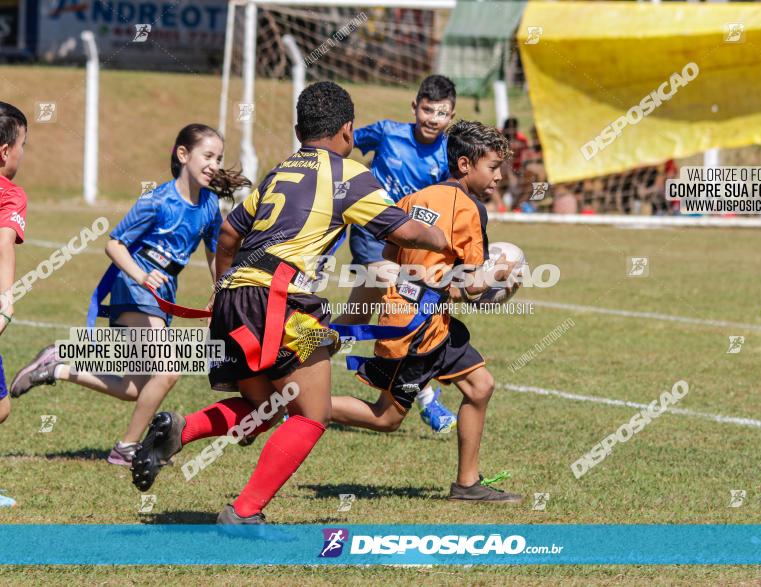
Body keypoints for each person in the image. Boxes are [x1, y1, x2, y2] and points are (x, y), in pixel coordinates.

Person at [130, 81, 447, 524]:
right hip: (277, 299)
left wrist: (225, 286)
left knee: (266, 407)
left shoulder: (280, 171)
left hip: (236, 295)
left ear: (300, 130)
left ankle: (183, 430)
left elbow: (228, 234)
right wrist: (446, 239)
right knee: (312, 414)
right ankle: (244, 512)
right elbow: (408, 232)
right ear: (348, 132)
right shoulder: (348, 174)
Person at [9, 124, 250, 466]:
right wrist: (141, 274)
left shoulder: (210, 206)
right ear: (183, 155)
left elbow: (216, 257)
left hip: (161, 295)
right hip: (134, 288)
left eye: (219, 158)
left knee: (136, 387)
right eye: (207, 156)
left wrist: (219, 291)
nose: (214, 164)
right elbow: (114, 243)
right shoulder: (157, 200)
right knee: (168, 369)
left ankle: (59, 366)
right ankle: (126, 449)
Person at [330, 120, 522, 503]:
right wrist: (502, 275)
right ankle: (300, 399)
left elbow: (391, 258)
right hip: (417, 329)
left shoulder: (414, 199)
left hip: (423, 318)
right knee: (386, 418)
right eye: (493, 166)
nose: (500, 176)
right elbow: (471, 287)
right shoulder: (471, 210)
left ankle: (467, 485)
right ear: (465, 165)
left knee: (480, 385)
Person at [337, 74, 459, 432]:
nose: (433, 119)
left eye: (442, 113)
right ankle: (427, 399)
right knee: (403, 304)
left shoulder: (447, 153)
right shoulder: (388, 132)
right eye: (427, 110)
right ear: (414, 107)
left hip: (411, 244)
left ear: (451, 116)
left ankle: (290, 376)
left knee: (350, 320)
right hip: (372, 234)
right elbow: (343, 145)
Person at [0, 102, 29, 425]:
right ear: (6, 151)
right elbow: (3, 242)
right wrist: (6, 302)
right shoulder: (10, 194)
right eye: (23, 145)